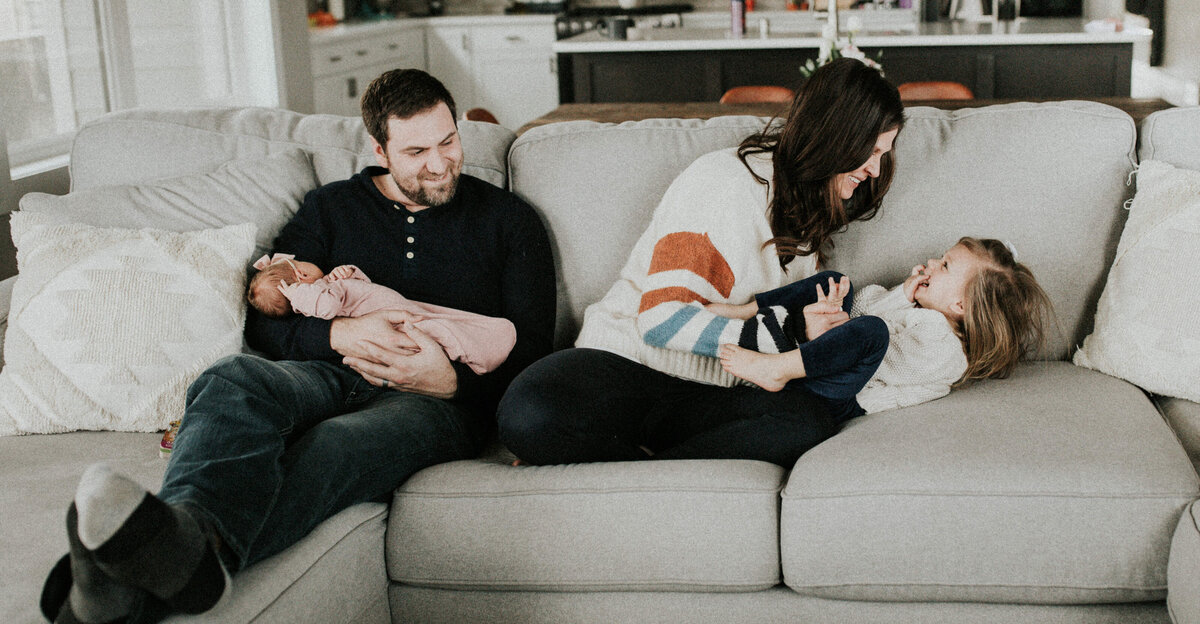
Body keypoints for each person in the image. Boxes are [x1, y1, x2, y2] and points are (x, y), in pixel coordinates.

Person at [41, 69, 557, 624]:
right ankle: (184, 550)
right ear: (379, 148)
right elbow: (267, 315)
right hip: (326, 371)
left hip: (432, 401)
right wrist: (336, 333)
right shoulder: (331, 208)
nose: (439, 163)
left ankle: (147, 569)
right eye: (416, 151)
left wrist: (453, 382)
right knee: (230, 378)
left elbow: (534, 354)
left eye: (448, 141)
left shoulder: (509, 221)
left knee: (335, 445)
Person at [498, 57, 905, 469]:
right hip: (628, 366)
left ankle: (637, 467)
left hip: (709, 396)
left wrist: (806, 334)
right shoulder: (725, 184)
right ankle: (660, 467)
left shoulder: (808, 221)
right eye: (870, 152)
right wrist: (783, 337)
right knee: (527, 412)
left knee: (807, 422)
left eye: (882, 155)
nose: (873, 171)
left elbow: (769, 341)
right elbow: (661, 321)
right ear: (837, 135)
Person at [715, 238, 1053, 422]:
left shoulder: (948, 351)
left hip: (845, 393)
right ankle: (745, 310)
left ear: (961, 308)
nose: (931, 264)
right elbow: (863, 306)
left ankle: (778, 370)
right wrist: (901, 295)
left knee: (873, 332)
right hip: (826, 356)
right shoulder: (913, 308)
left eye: (945, 265)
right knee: (835, 282)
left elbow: (879, 356)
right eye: (940, 257)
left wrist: (838, 333)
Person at [247, 254, 517, 374]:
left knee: (449, 321)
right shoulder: (315, 293)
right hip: (396, 326)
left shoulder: (329, 285)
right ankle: (479, 355)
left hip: (401, 309)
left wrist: (348, 273)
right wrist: (299, 295)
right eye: (301, 263)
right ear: (301, 274)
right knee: (441, 333)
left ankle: (488, 338)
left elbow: (363, 288)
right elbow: (327, 307)